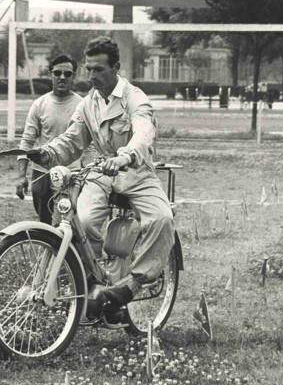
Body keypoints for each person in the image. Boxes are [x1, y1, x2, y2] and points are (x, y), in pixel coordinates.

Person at [27, 36, 175, 327]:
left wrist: (127, 155)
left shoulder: (135, 98)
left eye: (98, 70)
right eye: (89, 69)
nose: (91, 76)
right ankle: (96, 287)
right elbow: (72, 140)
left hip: (136, 171)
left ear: (116, 68)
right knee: (82, 220)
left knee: (161, 219)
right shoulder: (88, 103)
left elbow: (143, 132)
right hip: (100, 173)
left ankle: (128, 287)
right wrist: (45, 153)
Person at [15, 54, 85, 224]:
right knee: (44, 224)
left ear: (73, 76)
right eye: (57, 73)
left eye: (67, 74)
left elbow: (88, 143)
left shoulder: (83, 105)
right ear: (50, 75)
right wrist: (21, 176)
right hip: (42, 173)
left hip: (71, 173)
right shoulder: (40, 104)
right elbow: (27, 140)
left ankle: (68, 251)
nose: (62, 77)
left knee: (69, 223)